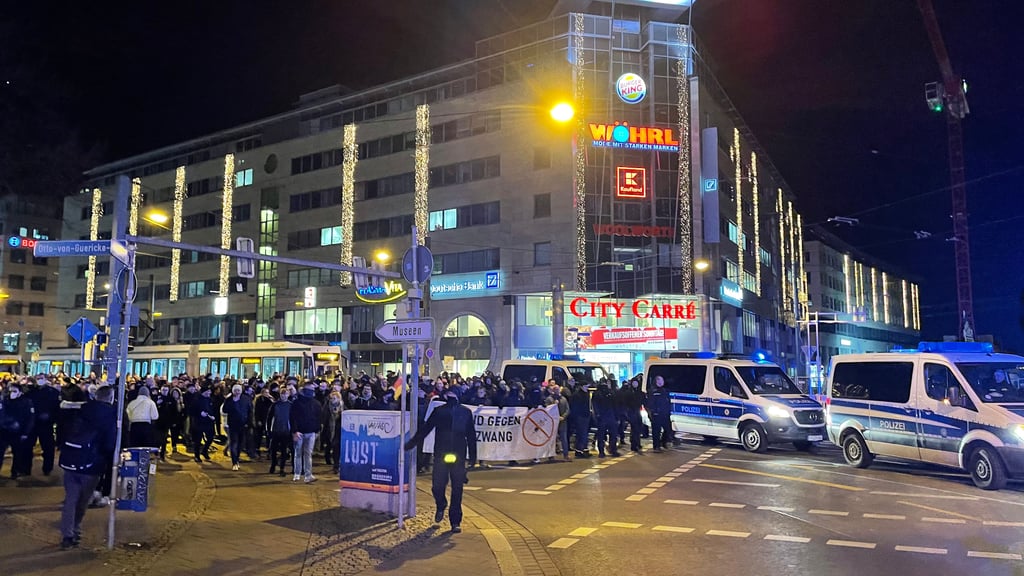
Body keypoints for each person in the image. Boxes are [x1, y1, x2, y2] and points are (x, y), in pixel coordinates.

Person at [404, 387, 477, 533]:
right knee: (437, 486)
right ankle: (441, 504)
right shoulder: (439, 411)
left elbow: (471, 436)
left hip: (459, 455)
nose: (450, 396)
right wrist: (412, 443)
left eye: (452, 394)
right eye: (448, 394)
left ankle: (455, 521)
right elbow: (426, 429)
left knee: (457, 489)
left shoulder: (465, 412)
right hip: (441, 454)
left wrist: (473, 457)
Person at [58, 384, 116, 550]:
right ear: (110, 398)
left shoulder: (82, 408)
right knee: (83, 500)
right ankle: (74, 529)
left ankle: (68, 535)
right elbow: (110, 441)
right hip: (92, 463)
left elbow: (65, 427)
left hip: (70, 459)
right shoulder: (110, 414)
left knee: (70, 498)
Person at [0, 382, 35, 479]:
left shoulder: (26, 402)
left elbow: (30, 419)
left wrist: (25, 432)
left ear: (20, 392)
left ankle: (15, 472)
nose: (12, 393)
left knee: (17, 454)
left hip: (18, 432)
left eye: (14, 391)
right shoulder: (5, 401)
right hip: (4, 431)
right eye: (10, 391)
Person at [289, 381, 321, 483]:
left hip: (311, 432)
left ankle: (308, 475)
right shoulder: (296, 402)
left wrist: (316, 431)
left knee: (308, 454)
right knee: (298, 453)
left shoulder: (316, 403)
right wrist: (294, 431)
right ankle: (297, 473)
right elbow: (292, 418)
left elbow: (318, 418)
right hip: (300, 432)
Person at [28, 379, 61, 476]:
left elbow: (57, 408)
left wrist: (51, 418)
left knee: (48, 448)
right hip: (33, 424)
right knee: (28, 448)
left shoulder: (53, 392)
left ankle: (47, 468)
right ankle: (25, 468)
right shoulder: (32, 392)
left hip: (46, 424)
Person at [222, 384, 252, 471]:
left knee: (241, 444)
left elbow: (250, 411)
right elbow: (224, 410)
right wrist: (230, 401)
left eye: (238, 390)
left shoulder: (246, 399)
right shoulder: (229, 399)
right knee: (233, 443)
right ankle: (234, 462)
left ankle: (237, 458)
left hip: (243, 424)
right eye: (235, 390)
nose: (237, 392)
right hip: (232, 425)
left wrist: (249, 423)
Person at [267, 387, 293, 476]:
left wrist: (292, 431)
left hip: (286, 431)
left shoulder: (290, 405)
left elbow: (293, 419)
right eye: (282, 394)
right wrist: (268, 430)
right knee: (273, 450)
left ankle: (282, 467)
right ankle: (273, 465)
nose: (283, 396)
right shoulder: (275, 405)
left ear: (288, 395)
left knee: (284, 450)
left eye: (285, 394)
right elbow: (269, 418)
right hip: (276, 430)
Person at [190, 385, 217, 463]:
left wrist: (213, 416)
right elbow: (192, 411)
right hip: (199, 422)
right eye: (208, 391)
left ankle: (205, 450)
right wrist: (200, 413)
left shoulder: (210, 399)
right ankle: (197, 455)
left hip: (209, 422)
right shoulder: (197, 399)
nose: (209, 392)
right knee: (198, 440)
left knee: (210, 438)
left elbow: (213, 409)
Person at [648, 375, 673, 453]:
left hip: (665, 414)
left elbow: (668, 402)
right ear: (655, 382)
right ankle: (656, 446)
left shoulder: (665, 391)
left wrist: (669, 411)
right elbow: (650, 403)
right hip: (657, 414)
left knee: (668, 429)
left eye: (661, 380)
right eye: (658, 380)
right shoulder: (652, 391)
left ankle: (663, 442)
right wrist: (653, 412)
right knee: (656, 431)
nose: (660, 382)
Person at [568, 380, 592, 458]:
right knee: (581, 434)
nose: (587, 388)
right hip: (580, 416)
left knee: (585, 434)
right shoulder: (577, 395)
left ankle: (584, 450)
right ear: (581, 386)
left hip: (586, 415)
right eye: (585, 386)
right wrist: (576, 416)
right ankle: (579, 450)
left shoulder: (586, 394)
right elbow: (574, 407)